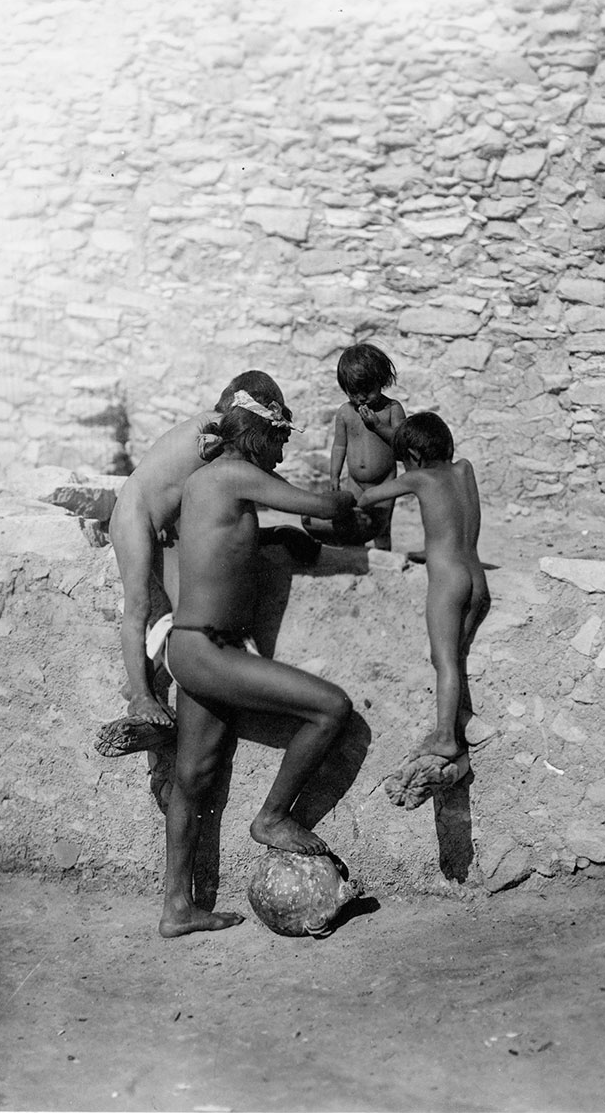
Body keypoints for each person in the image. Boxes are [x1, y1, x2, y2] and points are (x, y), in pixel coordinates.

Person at [158, 391, 356, 937]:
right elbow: (326, 507)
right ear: (258, 432)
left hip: (195, 648)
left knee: (193, 776)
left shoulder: (212, 484)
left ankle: (177, 909)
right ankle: (271, 816)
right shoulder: (232, 473)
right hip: (210, 651)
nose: (282, 453)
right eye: (280, 440)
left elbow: (223, 543)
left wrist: (275, 537)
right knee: (330, 709)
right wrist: (358, 498)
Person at [108, 372, 319, 728]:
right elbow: (261, 481)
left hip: (165, 524)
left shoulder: (221, 429)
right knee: (139, 605)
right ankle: (142, 697)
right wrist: (313, 500)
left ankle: (142, 679)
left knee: (184, 614)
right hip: (135, 513)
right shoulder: (216, 430)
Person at [357, 412, 490, 785]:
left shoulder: (419, 477)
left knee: (444, 661)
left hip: (447, 582)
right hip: (476, 578)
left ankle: (445, 738)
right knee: (450, 655)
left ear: (413, 455)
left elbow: (369, 497)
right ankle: (460, 723)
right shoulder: (464, 469)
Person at [329, 343, 406, 550]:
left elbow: (401, 443)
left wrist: (378, 426)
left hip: (384, 482)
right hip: (354, 482)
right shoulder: (345, 412)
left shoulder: (392, 409)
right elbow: (339, 446)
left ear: (381, 382)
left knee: (380, 525)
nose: (361, 398)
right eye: (354, 393)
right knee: (355, 523)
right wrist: (334, 475)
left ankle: (384, 557)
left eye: (367, 391)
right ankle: (359, 560)